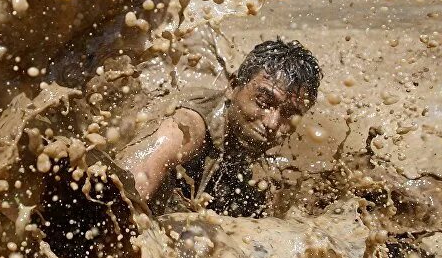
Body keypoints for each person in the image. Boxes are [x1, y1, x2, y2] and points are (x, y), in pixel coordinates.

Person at [118, 39, 322, 217]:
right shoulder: (186, 128)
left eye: (289, 114)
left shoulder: (261, 158)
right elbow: (123, 194)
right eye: (263, 102)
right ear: (233, 87)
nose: (272, 123)